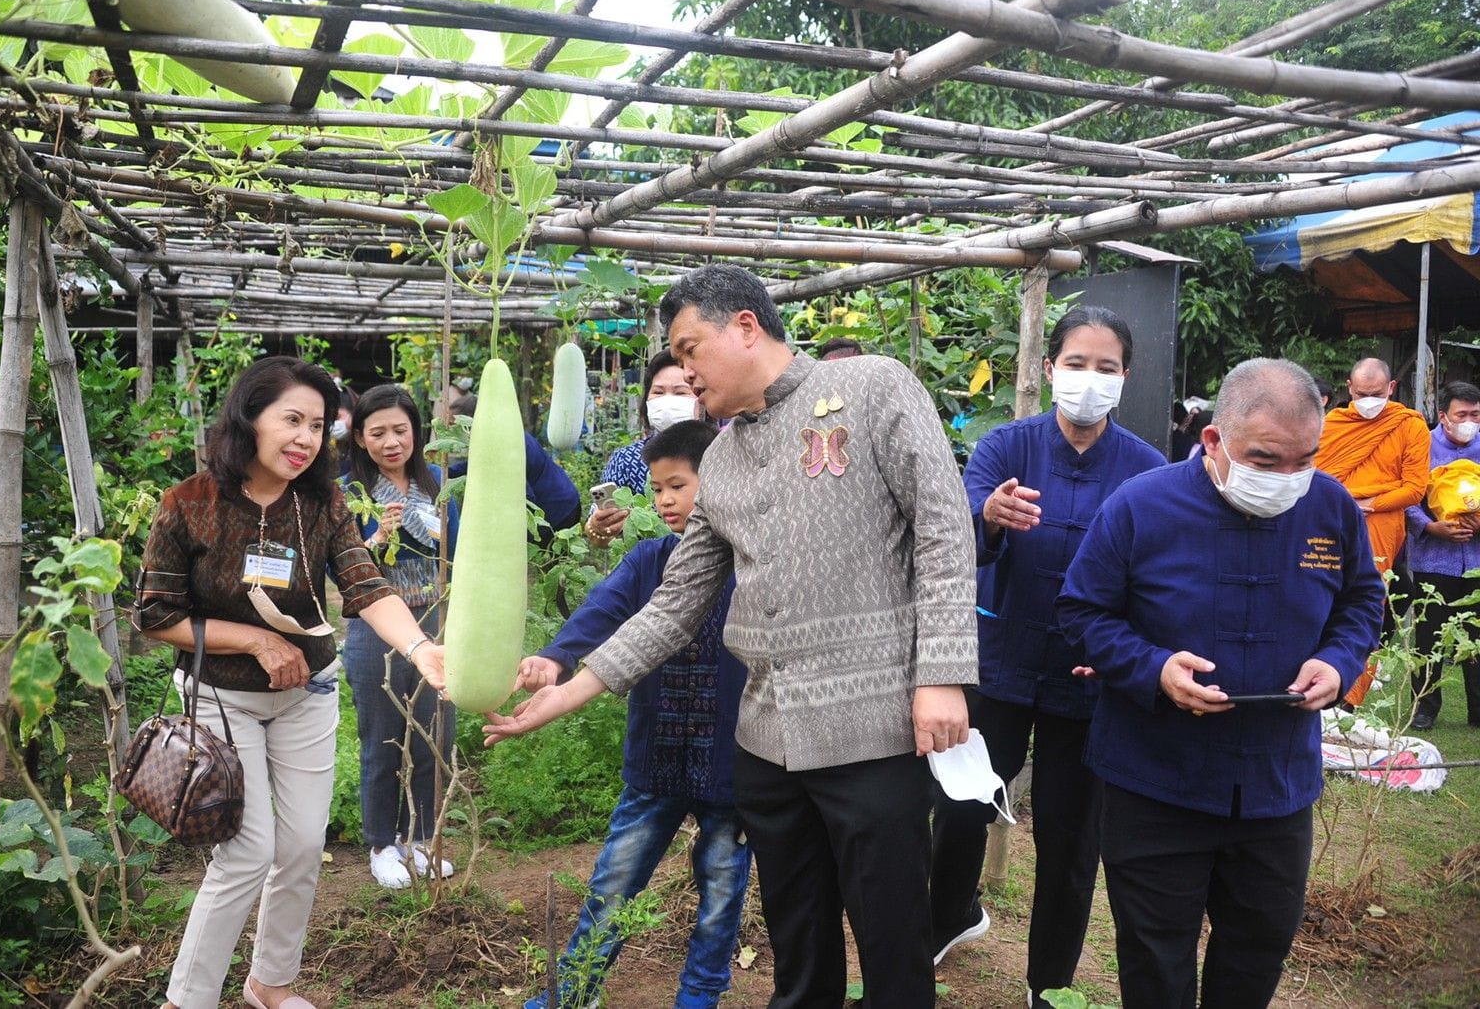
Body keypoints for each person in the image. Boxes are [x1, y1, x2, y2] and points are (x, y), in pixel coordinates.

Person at [479, 263, 977, 1008]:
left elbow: (943, 527)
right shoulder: (727, 456)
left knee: (891, 943)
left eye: (688, 349)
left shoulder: (875, 388)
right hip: (767, 747)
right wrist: (570, 691)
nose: (682, 373)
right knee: (797, 939)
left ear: (745, 325)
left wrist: (941, 673)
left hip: (872, 732)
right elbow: (675, 603)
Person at [1057, 357, 1384, 1009]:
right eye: (1266, 460)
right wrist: (1154, 668)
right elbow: (1081, 612)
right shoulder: (1141, 507)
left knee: (1257, 950)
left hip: (1275, 786)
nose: (1288, 479)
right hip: (1155, 780)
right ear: (1213, 440)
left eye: (1304, 459)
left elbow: (1361, 602)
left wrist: (1339, 661)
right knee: (1156, 962)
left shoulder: (1330, 505)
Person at [134, 357, 447, 1009]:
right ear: (251, 419)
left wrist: (420, 647)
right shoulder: (189, 504)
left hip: (308, 694)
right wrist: (253, 637)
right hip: (222, 697)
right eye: (292, 421)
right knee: (249, 852)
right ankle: (186, 999)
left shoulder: (322, 503)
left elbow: (365, 585)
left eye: (316, 425)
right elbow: (156, 615)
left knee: (302, 847)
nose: (306, 438)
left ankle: (269, 984)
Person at [928, 306, 1164, 1001]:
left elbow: (1155, 574)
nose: (1090, 380)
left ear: (1126, 377)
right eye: (1077, 364)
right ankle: (949, 916)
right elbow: (958, 536)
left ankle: (1049, 984)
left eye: (1107, 368)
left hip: (1089, 679)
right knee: (962, 806)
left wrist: (1128, 650)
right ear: (1048, 367)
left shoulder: (1147, 469)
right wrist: (987, 518)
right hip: (999, 660)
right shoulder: (1007, 447)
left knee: (1069, 841)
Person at [514, 420, 750, 1009]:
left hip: (735, 766)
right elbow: (602, 610)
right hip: (657, 762)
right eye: (658, 489)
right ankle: (574, 990)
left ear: (718, 480)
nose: (665, 500)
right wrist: (555, 657)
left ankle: (700, 997)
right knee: (614, 881)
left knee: (722, 891)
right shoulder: (648, 561)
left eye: (678, 485)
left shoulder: (754, 562)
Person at [342, 384, 456, 888]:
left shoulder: (441, 483)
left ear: (417, 432)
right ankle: (382, 844)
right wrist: (378, 538)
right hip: (375, 628)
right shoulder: (350, 492)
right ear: (361, 439)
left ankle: (424, 839)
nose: (391, 442)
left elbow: (461, 550)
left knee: (435, 734)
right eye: (378, 433)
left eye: (400, 431)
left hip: (436, 621)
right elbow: (341, 568)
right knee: (383, 737)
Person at [1317, 357, 1430, 705]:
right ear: (1349, 389)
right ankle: (1313, 677)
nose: (1368, 400)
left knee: (1369, 602)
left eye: (1376, 393)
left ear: (1391, 389)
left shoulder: (1409, 425)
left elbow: (1414, 488)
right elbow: (1314, 475)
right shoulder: (1331, 424)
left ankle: (1350, 697)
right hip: (1329, 519)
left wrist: (1371, 503)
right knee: (1320, 595)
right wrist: (1351, 499)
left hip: (1380, 522)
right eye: (1362, 393)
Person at [1406, 381, 1480, 730]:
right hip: (1432, 559)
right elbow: (1406, 497)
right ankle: (1424, 706)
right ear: (1443, 417)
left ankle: (1477, 710)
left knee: (1476, 637)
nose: (1469, 421)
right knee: (1428, 636)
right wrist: (1430, 527)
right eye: (1461, 414)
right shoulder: (1422, 446)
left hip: (1476, 561)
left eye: (1475, 414)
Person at [583, 348, 701, 548]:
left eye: (680, 392)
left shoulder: (721, 451)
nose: (668, 400)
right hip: (648, 574)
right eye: (658, 392)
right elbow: (595, 533)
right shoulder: (627, 459)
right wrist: (598, 527)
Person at [446, 392, 582, 542]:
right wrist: (446, 472)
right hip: (562, 500)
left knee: (544, 561)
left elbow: (524, 496)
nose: (450, 431)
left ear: (470, 422)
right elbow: (476, 465)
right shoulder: (499, 433)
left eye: (453, 425)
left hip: (558, 509)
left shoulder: (501, 443)